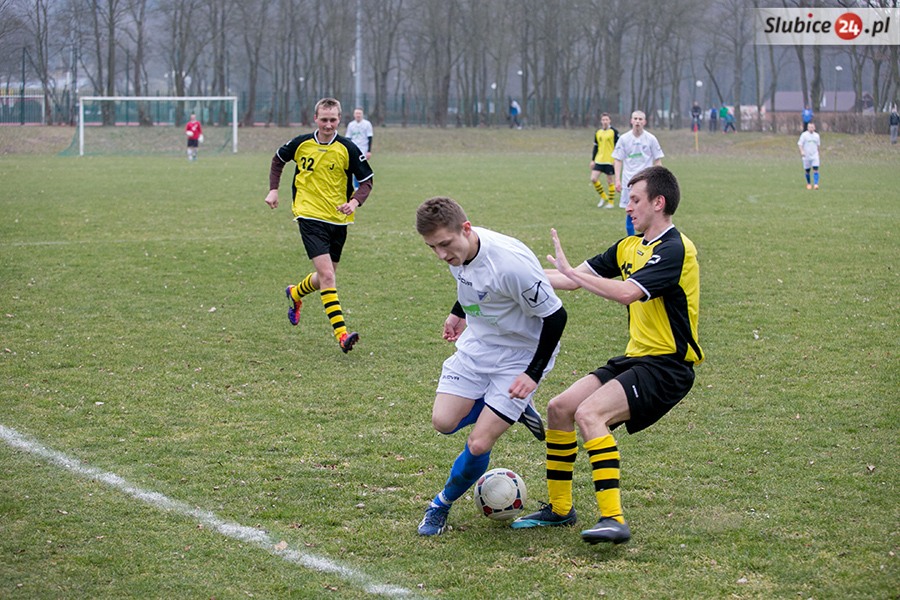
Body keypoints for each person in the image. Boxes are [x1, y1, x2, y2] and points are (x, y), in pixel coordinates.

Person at [511, 165, 703, 545]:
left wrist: (573, 274)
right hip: (637, 358)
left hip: (668, 365)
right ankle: (560, 509)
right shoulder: (628, 246)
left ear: (658, 202)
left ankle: (613, 519)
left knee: (589, 413)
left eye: (635, 200)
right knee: (560, 408)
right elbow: (569, 279)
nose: (627, 207)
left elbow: (627, 292)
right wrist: (514, 272)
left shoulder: (676, 249)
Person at [414, 196, 568, 536]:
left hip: (520, 355)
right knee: (443, 422)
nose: (441, 254)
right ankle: (507, 408)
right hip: (480, 344)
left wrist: (532, 374)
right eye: (432, 247)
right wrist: (457, 312)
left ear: (466, 229)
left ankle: (440, 504)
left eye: (444, 244)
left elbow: (556, 316)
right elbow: (472, 281)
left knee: (479, 443)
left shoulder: (510, 264)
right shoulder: (458, 250)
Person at [264, 97, 374, 353]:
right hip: (308, 215)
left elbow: (367, 180)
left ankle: (295, 293)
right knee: (327, 276)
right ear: (315, 118)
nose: (328, 125)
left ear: (339, 119)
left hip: (338, 219)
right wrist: (273, 189)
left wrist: (354, 202)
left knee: (326, 276)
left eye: (333, 120)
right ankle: (342, 334)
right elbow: (278, 159)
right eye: (324, 119)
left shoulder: (347, 148)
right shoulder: (301, 143)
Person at [612, 110, 664, 236]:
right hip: (628, 182)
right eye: (635, 119)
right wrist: (617, 180)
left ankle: (648, 238)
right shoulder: (624, 139)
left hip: (646, 182)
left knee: (647, 211)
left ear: (644, 122)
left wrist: (659, 180)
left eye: (640, 119)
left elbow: (657, 160)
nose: (637, 121)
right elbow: (618, 160)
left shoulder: (651, 139)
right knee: (630, 211)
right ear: (631, 121)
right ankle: (631, 239)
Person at [590, 113, 619, 208]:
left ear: (610, 120)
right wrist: (593, 160)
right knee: (593, 178)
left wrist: (616, 159)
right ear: (601, 121)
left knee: (610, 181)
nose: (605, 121)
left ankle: (611, 202)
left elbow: (618, 146)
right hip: (599, 159)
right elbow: (596, 147)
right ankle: (603, 197)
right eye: (603, 120)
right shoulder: (598, 132)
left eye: (607, 120)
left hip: (610, 160)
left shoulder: (614, 132)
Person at [798, 121, 821, 190]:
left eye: (812, 127)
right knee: (807, 170)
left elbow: (818, 145)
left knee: (815, 169)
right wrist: (802, 151)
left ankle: (816, 184)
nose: (811, 128)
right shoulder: (804, 135)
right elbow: (800, 144)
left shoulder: (817, 136)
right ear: (807, 128)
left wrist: (818, 152)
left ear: (814, 128)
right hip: (806, 156)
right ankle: (809, 184)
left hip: (814, 155)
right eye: (809, 127)